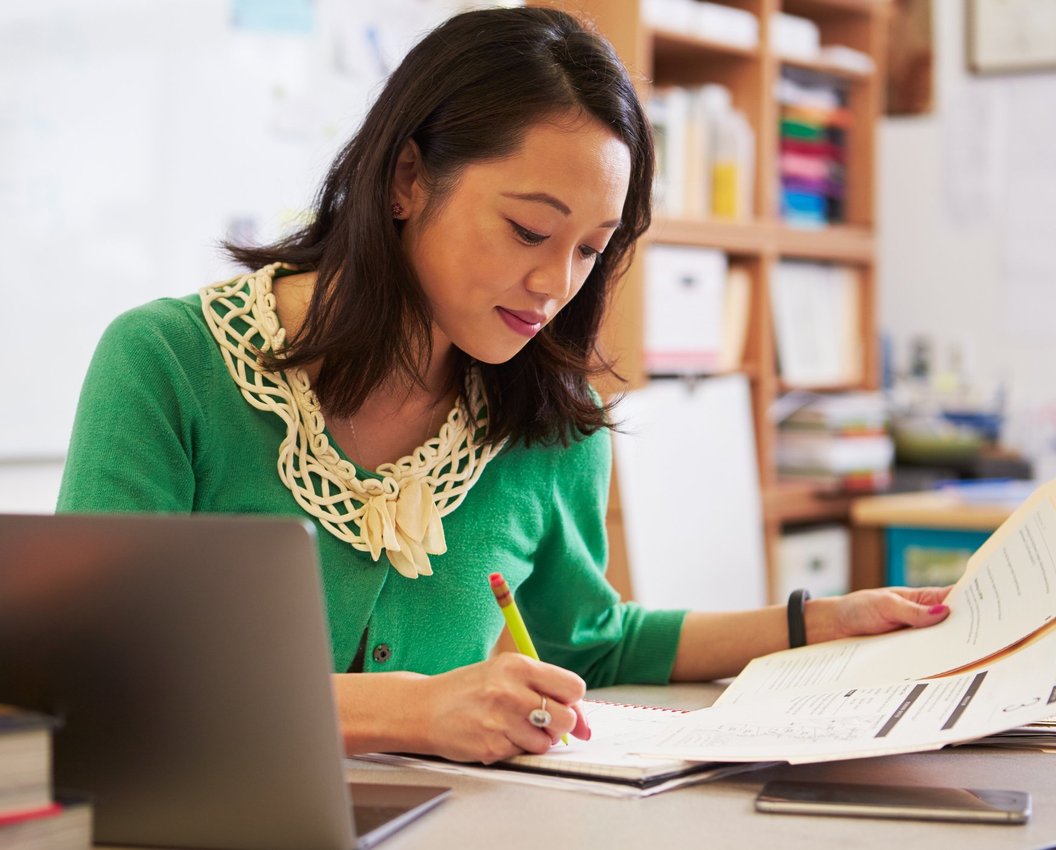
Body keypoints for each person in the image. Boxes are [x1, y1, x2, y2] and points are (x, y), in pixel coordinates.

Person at [58, 7, 949, 765]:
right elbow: (103, 672)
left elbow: (589, 642)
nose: (556, 284)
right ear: (409, 179)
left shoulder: (552, 423)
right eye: (529, 231)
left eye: (592, 249)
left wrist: (814, 626)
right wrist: (408, 712)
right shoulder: (169, 366)